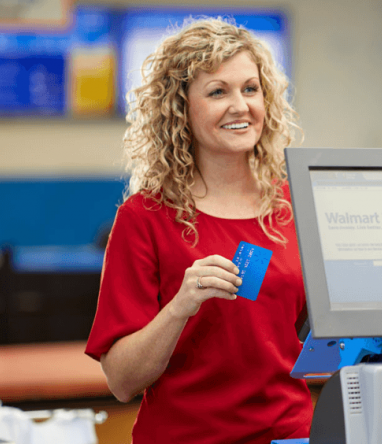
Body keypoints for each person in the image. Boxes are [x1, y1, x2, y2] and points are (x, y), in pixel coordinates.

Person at [84, 19, 311, 443]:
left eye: (250, 88)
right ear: (180, 109)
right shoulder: (144, 217)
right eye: (217, 92)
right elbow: (121, 381)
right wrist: (179, 307)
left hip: (287, 434)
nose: (240, 105)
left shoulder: (295, 206)